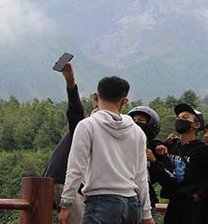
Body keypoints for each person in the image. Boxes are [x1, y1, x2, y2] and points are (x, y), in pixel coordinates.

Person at [58, 76, 155, 224]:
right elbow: (141, 176)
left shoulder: (88, 126)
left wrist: (66, 204)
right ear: (124, 101)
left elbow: (76, 168)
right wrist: (146, 214)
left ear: (95, 97)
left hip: (100, 203)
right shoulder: (137, 132)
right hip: (132, 205)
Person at [154, 103, 208, 224]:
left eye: (185, 118)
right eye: (178, 118)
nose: (180, 120)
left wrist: (199, 195)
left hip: (194, 206)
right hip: (174, 202)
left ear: (196, 125)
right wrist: (160, 144)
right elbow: (154, 152)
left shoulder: (202, 149)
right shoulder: (172, 145)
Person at [43, 62, 85, 223]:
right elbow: (76, 110)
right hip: (65, 184)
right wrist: (71, 83)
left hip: (64, 184)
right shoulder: (82, 128)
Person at [127, 106, 164, 223]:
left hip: (147, 203)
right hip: (124, 200)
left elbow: (164, 177)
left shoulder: (155, 149)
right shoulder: (122, 145)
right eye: (134, 120)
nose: (136, 123)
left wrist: (154, 161)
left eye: (141, 120)